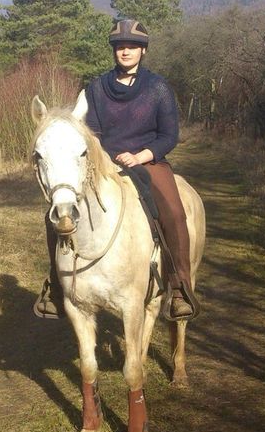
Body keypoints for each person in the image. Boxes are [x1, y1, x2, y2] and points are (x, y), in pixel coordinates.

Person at [34, 18, 197, 320]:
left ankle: (178, 289)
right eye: (121, 47)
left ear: (142, 51)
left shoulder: (158, 88)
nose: (126, 52)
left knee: (174, 213)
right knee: (54, 216)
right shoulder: (96, 89)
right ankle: (57, 288)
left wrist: (141, 155)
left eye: (132, 47)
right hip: (105, 164)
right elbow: (89, 131)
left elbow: (169, 135)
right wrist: (104, 159)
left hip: (149, 161)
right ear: (114, 51)